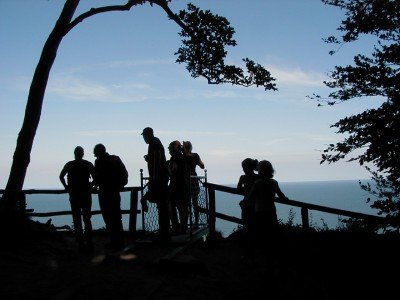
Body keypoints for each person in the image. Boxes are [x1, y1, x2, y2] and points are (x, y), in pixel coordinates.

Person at [244, 160, 288, 257]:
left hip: (259, 211)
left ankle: (259, 254)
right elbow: (281, 196)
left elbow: (251, 197)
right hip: (271, 211)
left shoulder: (257, 183)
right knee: (271, 233)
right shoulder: (274, 183)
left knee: (260, 232)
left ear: (260, 171)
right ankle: (272, 254)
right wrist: (286, 199)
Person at [59, 146, 95, 253]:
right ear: (82, 154)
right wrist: (91, 186)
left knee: (77, 218)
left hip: (74, 195)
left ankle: (80, 242)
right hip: (86, 195)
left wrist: (66, 187)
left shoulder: (69, 164)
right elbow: (96, 178)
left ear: (74, 153)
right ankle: (89, 241)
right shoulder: (88, 164)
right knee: (87, 218)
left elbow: (61, 176)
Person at [93, 143, 126, 251]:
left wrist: (94, 185)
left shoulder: (98, 162)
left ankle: (113, 241)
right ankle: (120, 241)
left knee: (108, 216)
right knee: (116, 216)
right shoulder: (116, 159)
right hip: (115, 192)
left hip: (104, 192)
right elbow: (124, 174)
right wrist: (120, 185)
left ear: (98, 152)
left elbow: (97, 177)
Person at [141, 127, 171, 243]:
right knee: (162, 206)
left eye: (144, 135)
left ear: (147, 135)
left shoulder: (154, 142)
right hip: (160, 178)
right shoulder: (155, 142)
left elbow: (157, 157)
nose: (143, 138)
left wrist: (154, 175)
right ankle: (164, 233)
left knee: (162, 206)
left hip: (158, 178)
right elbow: (157, 157)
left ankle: (164, 234)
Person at [168, 140, 190, 234]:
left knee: (174, 206)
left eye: (169, 147)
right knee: (182, 206)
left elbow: (173, 171)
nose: (168, 149)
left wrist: (166, 167)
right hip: (183, 184)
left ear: (173, 148)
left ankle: (176, 228)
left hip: (176, 185)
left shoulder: (175, 158)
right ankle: (183, 227)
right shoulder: (183, 157)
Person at [182, 141, 205, 229]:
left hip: (185, 179)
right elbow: (202, 165)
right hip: (194, 179)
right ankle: (196, 223)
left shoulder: (183, 156)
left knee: (186, 203)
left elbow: (186, 156)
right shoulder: (195, 155)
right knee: (195, 202)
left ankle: (187, 223)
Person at [237, 158, 258, 225]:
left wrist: (245, 188)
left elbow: (238, 189)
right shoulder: (258, 177)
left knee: (246, 224)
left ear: (247, 167)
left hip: (246, 203)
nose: (243, 169)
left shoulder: (243, 177)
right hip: (257, 204)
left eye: (243, 167)